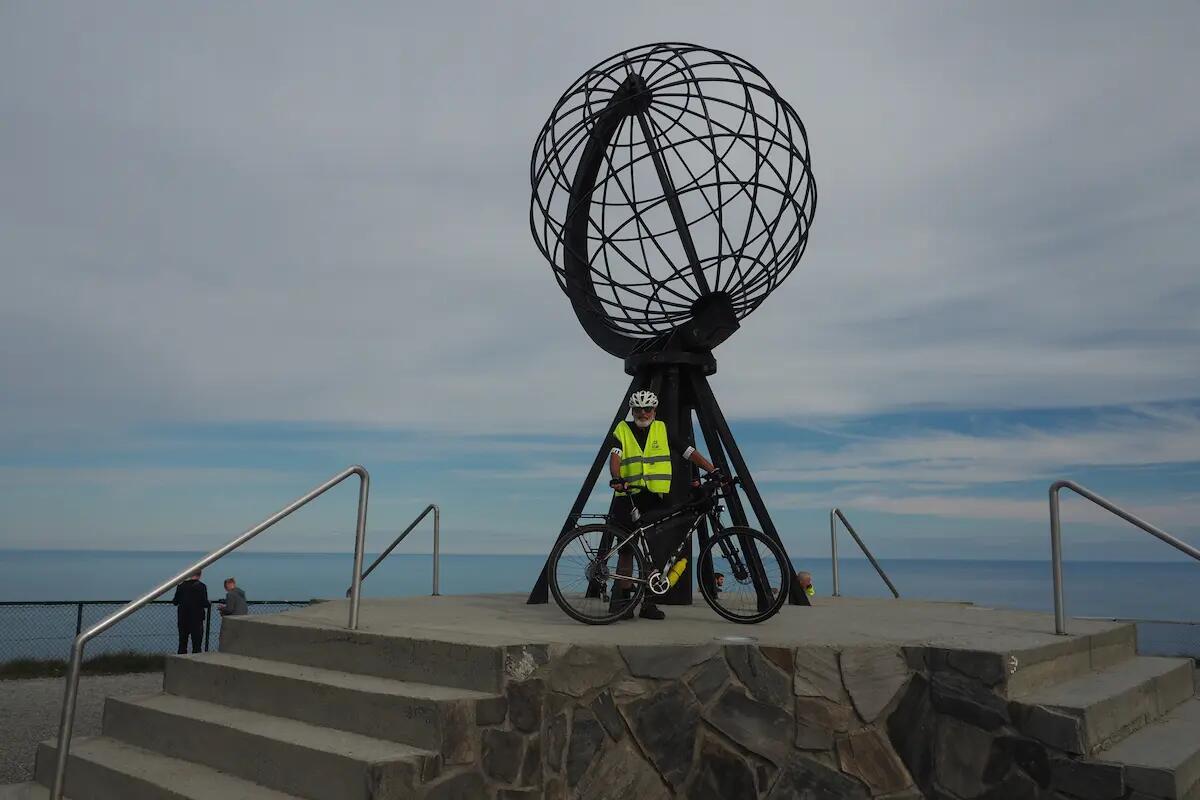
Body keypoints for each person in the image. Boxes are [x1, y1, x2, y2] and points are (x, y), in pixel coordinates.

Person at [608, 389, 718, 620]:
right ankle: (622, 602)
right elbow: (615, 456)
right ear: (632, 410)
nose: (642, 413)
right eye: (637, 409)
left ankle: (648, 603)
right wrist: (617, 478)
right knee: (627, 550)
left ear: (654, 411)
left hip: (656, 497)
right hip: (628, 495)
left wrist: (712, 469)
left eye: (647, 409)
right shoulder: (623, 429)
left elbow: (688, 451)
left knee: (656, 550)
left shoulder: (662, 429)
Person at [171, 570, 209, 654]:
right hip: (197, 618)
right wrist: (208, 604)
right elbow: (204, 602)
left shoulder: (181, 586)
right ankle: (196, 662)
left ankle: (180, 662)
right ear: (200, 575)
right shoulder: (201, 586)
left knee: (182, 643)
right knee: (197, 644)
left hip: (183, 617)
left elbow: (175, 602)